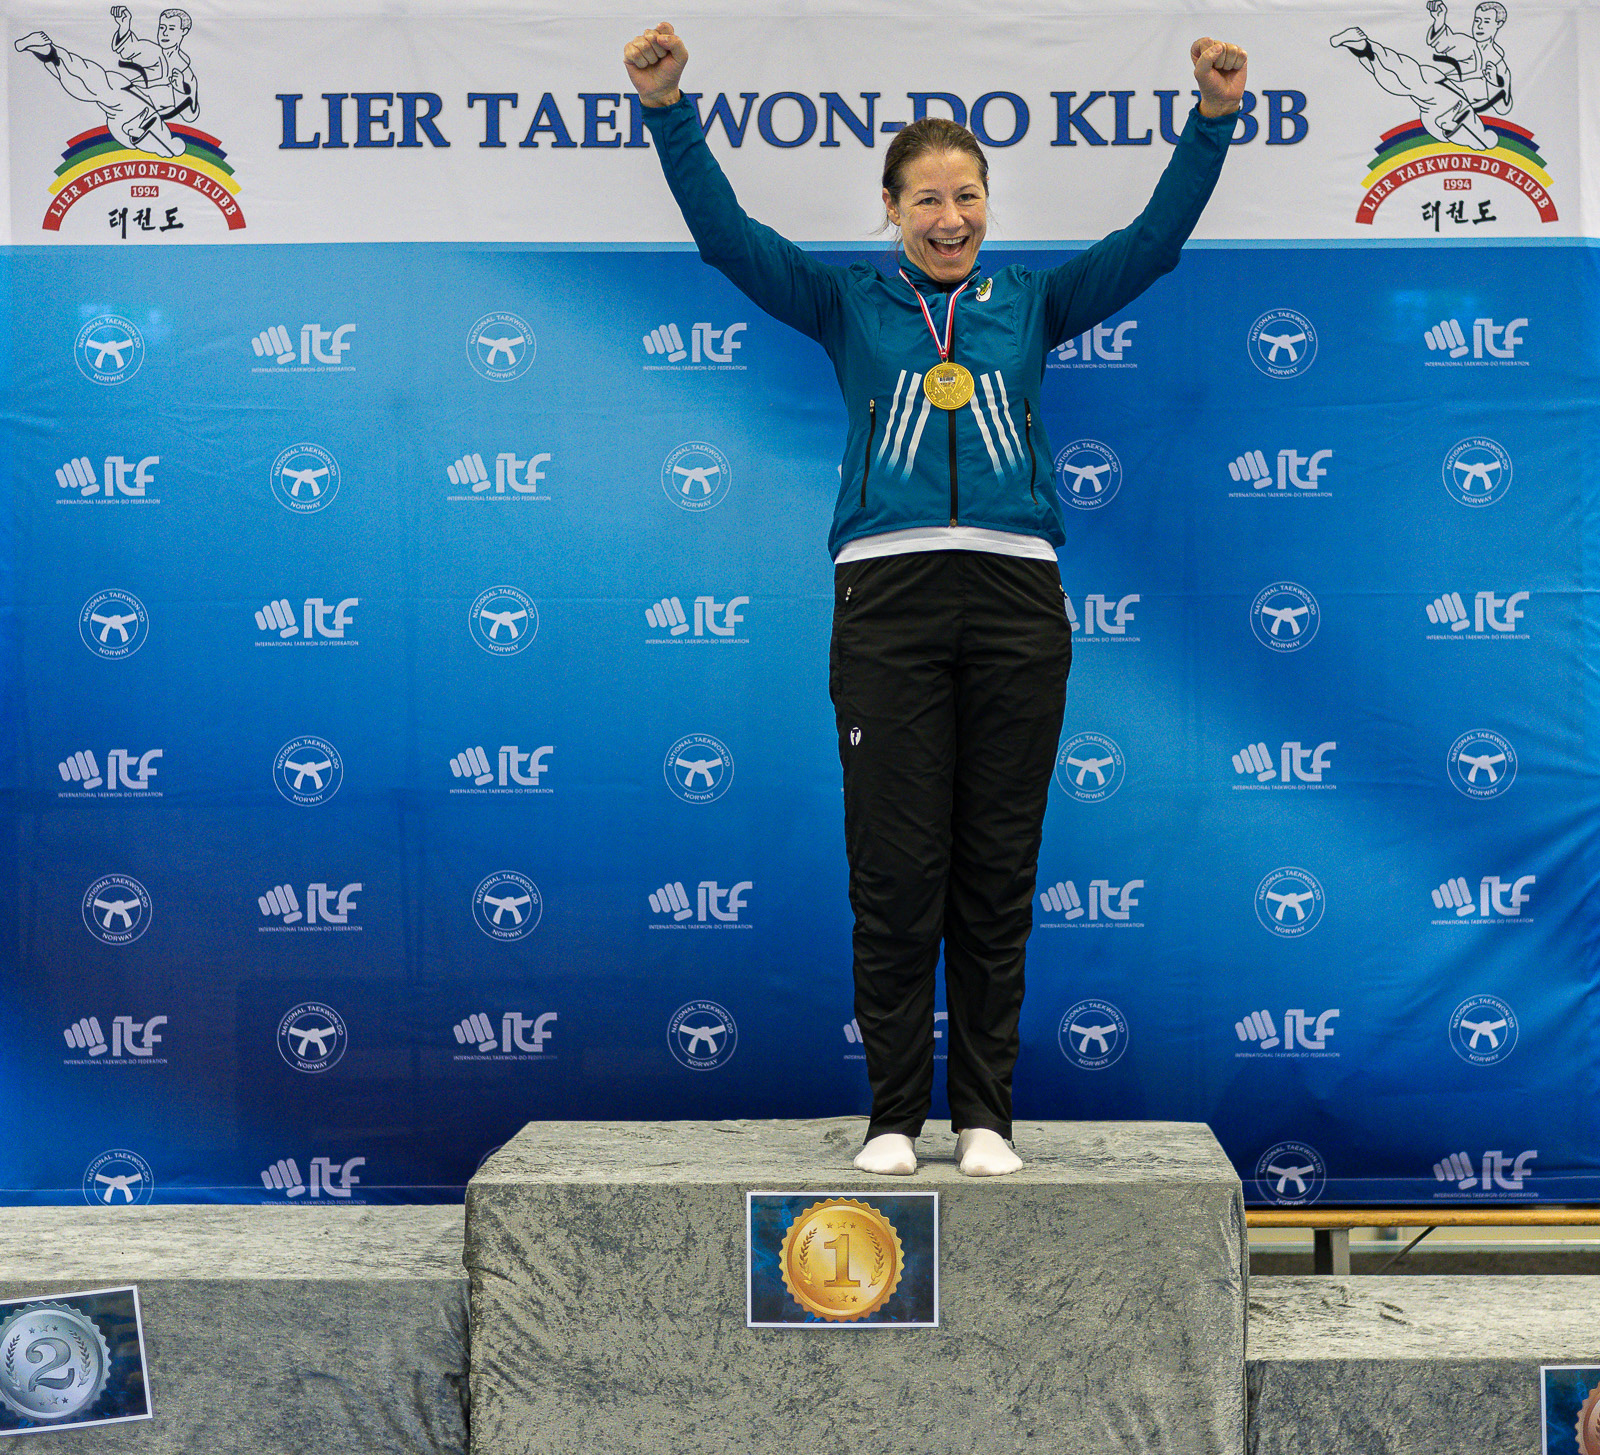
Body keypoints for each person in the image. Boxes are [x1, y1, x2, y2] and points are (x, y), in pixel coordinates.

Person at [624, 22, 1246, 1177]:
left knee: (996, 871)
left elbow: (1152, 245)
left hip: (1016, 599)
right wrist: (667, 108)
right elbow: (726, 239)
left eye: (966, 197)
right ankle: (893, 1119)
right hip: (888, 599)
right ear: (890, 209)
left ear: (988, 205)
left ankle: (985, 1119)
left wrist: (1210, 122)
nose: (949, 218)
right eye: (926, 199)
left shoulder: (1035, 303)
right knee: (896, 874)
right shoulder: (845, 303)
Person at [15, 6, 197, 159]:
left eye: (171, 28)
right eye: (162, 27)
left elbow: (190, 115)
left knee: (171, 148)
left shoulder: (186, 72)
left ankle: (49, 53)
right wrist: (124, 25)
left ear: (183, 31)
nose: (164, 33)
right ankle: (48, 52)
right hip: (128, 95)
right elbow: (128, 48)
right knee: (95, 81)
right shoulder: (152, 50)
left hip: (145, 117)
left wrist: (180, 89)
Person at [1331, 1, 1510, 152]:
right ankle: (1363, 47)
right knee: (1408, 74)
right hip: (1442, 88)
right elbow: (1442, 42)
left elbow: (1504, 107)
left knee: (1414, 83)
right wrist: (1439, 19)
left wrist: (1494, 83)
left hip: (1457, 111)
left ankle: (1364, 48)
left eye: (1486, 21)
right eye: (1477, 20)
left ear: (1499, 24)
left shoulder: (1499, 65)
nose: (1479, 26)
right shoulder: (1467, 44)